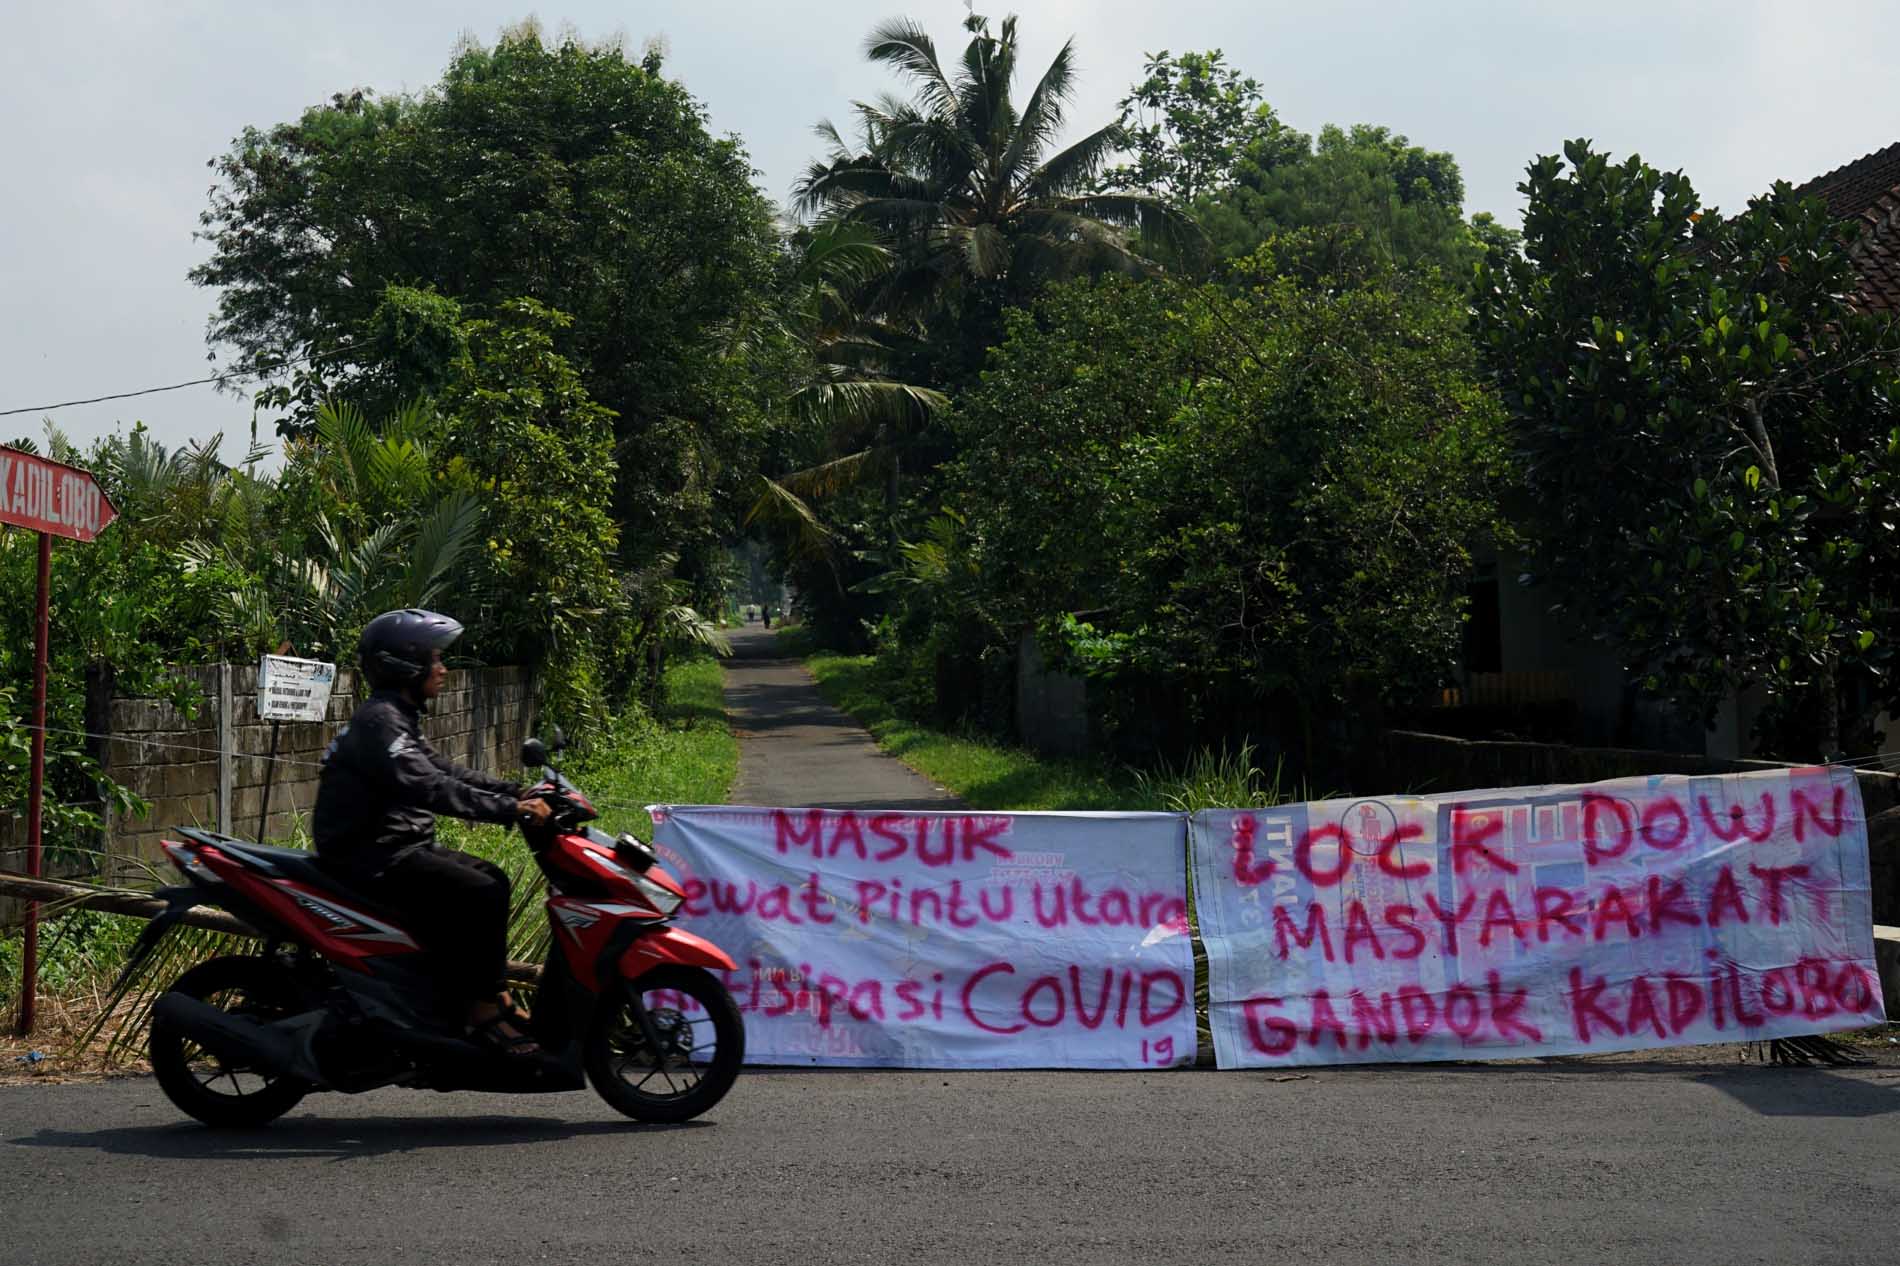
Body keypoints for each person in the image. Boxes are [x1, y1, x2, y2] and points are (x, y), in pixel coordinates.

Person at [312, 608, 552, 1057]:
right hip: (373, 857)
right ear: (407, 666)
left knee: (494, 881)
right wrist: (509, 809)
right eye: (435, 660)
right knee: (481, 892)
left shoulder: (395, 716)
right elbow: (428, 786)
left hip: (395, 847)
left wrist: (516, 791)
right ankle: (481, 1012)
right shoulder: (380, 722)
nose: (443, 669)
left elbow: (442, 769)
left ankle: (491, 996)